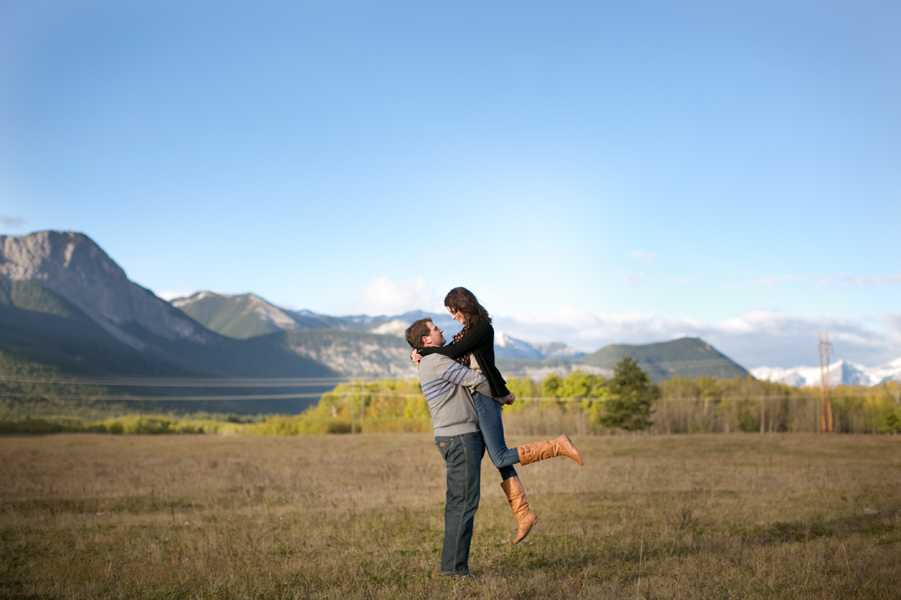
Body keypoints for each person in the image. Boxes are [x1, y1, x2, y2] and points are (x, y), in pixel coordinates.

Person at [412, 287, 583, 545]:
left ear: (463, 305)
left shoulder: (482, 328)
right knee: (498, 458)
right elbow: (484, 365)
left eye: (453, 311)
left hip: (484, 397)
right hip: (480, 396)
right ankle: (522, 513)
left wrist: (423, 353)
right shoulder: (464, 333)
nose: (452, 318)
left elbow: (452, 358)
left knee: (500, 455)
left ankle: (558, 445)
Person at [404, 317, 491, 577]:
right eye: (435, 329)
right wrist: (504, 394)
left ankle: (453, 567)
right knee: (462, 504)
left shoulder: (430, 360)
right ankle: (454, 570)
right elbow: (476, 380)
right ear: (425, 339)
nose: (441, 329)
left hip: (454, 437)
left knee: (459, 502)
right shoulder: (436, 361)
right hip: (461, 437)